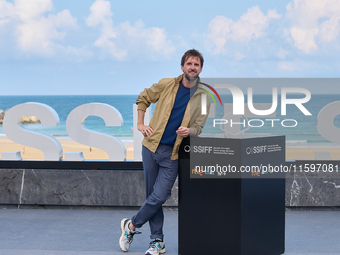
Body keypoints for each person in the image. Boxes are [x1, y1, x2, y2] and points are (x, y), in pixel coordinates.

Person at [119, 49, 210, 255]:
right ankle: (157, 241)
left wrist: (190, 131)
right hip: (150, 148)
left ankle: (131, 226)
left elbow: (199, 127)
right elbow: (143, 98)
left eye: (196, 65)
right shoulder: (167, 84)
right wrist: (140, 124)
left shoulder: (204, 97)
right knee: (152, 195)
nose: (192, 67)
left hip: (173, 153)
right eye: (189, 64)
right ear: (182, 67)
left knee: (160, 196)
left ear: (201, 69)